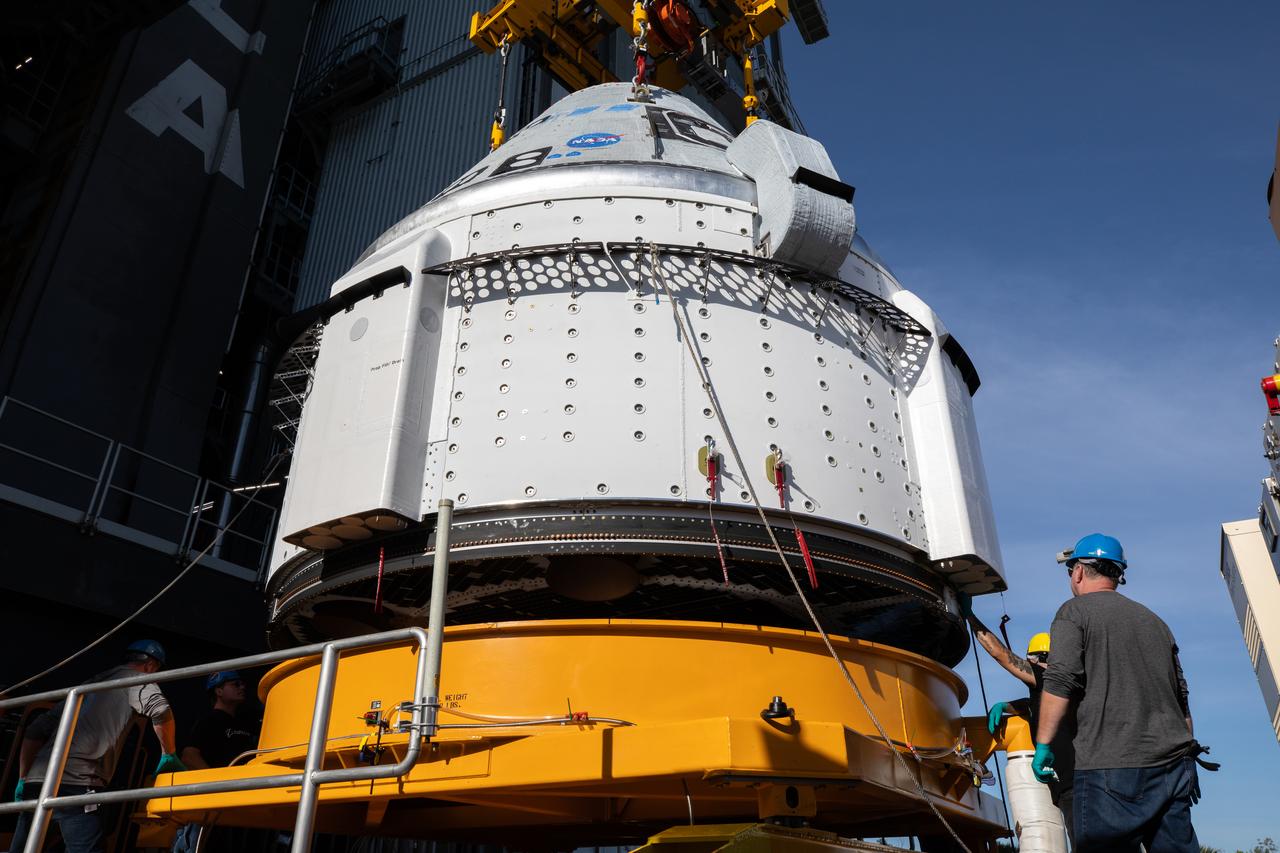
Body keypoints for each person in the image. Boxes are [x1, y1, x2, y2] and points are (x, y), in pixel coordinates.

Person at [1033, 533, 1204, 851]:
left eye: (1070, 569)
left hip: (1110, 770)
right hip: (1174, 766)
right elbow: (1182, 699)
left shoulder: (1075, 612)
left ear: (1080, 571)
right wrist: (1187, 758)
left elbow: (1059, 680)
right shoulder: (1155, 622)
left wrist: (1043, 744)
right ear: (1118, 574)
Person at [10, 640, 185, 853]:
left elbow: (35, 730)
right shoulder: (138, 679)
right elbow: (160, 710)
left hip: (36, 782)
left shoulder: (87, 686)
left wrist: (22, 778)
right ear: (151, 665)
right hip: (77, 782)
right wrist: (169, 754)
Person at [963, 600, 1076, 840]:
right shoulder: (1070, 684)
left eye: (1030, 659)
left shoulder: (1047, 676)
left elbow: (1001, 654)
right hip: (1083, 782)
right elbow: (1039, 702)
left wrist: (970, 617)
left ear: (1038, 659)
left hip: (1072, 786)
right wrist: (1008, 707)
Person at [171, 671, 259, 853]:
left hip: (237, 803)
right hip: (211, 804)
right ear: (218, 691)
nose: (242, 687)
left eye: (242, 684)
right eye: (235, 684)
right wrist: (217, 784)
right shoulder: (209, 721)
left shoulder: (246, 724)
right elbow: (189, 756)